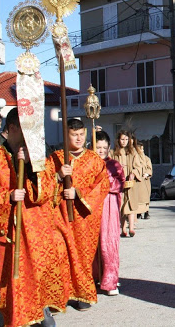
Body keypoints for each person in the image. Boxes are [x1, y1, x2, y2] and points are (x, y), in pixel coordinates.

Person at [0, 108, 70, 326]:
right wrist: (7, 196)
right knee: (11, 289)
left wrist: (29, 165)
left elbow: (46, 192)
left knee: (37, 285)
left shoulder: (39, 158)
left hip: (37, 237)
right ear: (12, 129)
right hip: (8, 238)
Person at [48, 118, 109, 310]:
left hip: (84, 218)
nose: (79, 138)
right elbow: (43, 186)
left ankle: (82, 295)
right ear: (66, 135)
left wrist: (78, 193)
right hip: (60, 216)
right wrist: (58, 176)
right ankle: (59, 296)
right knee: (59, 254)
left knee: (83, 256)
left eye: (82, 134)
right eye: (74, 135)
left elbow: (103, 185)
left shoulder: (94, 160)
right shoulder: (55, 158)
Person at [93, 130, 124, 296]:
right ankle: (93, 276)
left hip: (109, 206)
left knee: (108, 243)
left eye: (104, 147)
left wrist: (103, 181)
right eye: (98, 147)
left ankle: (110, 280)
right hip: (90, 206)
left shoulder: (115, 165)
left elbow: (120, 184)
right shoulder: (87, 163)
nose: (101, 150)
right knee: (91, 244)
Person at [113, 130, 141, 237]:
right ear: (118, 140)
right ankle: (123, 229)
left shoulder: (133, 152)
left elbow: (138, 167)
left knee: (130, 205)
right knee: (121, 206)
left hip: (130, 184)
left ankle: (132, 228)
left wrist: (133, 173)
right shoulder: (114, 152)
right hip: (119, 184)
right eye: (122, 139)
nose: (124, 142)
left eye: (126, 139)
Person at [135, 141, 152, 219]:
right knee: (138, 198)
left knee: (146, 197)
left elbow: (149, 168)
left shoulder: (147, 159)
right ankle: (138, 213)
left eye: (143, 149)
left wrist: (147, 174)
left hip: (145, 181)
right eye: (141, 149)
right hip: (138, 181)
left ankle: (146, 211)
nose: (142, 151)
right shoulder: (134, 158)